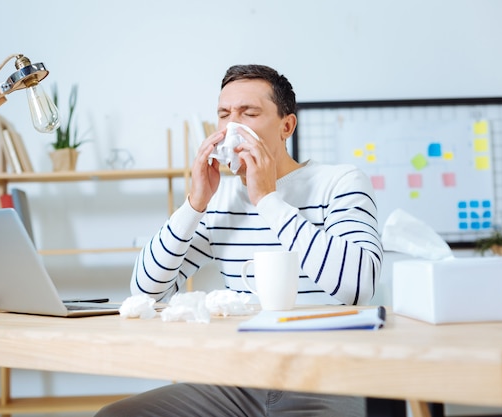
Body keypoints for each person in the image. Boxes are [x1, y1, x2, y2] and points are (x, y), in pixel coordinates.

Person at [95, 64, 383, 417]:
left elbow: (356, 288)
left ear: (286, 126)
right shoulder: (221, 202)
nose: (234, 126)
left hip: (328, 376)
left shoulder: (340, 182)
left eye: (249, 113)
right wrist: (195, 202)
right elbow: (146, 292)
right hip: (239, 378)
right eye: (224, 115)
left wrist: (267, 200)